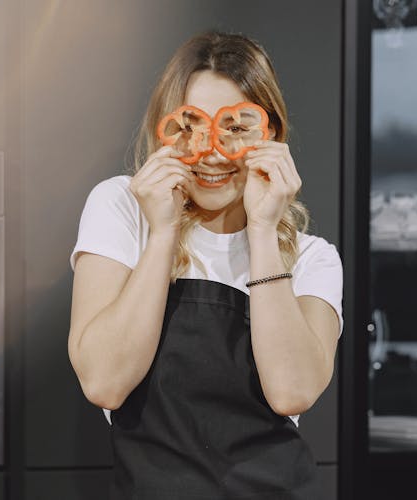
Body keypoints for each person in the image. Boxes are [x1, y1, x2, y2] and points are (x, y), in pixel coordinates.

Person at [68, 31, 343, 499]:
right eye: (191, 126)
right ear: (166, 129)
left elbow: (292, 393)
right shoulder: (121, 206)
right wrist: (162, 232)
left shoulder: (314, 256)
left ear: (269, 134)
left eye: (235, 128)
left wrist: (262, 229)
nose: (212, 152)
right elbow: (104, 383)